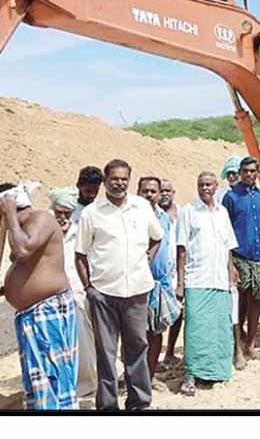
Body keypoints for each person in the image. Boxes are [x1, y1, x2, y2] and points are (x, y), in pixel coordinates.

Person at [75, 159, 164, 411]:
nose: (119, 183)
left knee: (137, 348)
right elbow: (80, 253)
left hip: (136, 292)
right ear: (105, 181)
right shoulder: (92, 212)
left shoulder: (142, 207)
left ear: (129, 180)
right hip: (103, 294)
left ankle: (139, 403)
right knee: (106, 352)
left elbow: (157, 237)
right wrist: (89, 288)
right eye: (114, 178)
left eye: (124, 178)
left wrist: (147, 258)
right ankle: (108, 406)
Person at [0, 181, 78, 410]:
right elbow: (28, 269)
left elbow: (23, 251)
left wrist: (10, 215)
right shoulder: (21, 231)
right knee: (38, 380)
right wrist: (3, 291)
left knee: (52, 375)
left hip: (48, 311)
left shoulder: (42, 219)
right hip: (30, 315)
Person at [176, 172, 239, 396]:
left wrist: (231, 270)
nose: (205, 188)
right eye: (201, 184)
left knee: (219, 327)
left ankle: (216, 372)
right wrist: (181, 283)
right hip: (196, 279)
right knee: (196, 329)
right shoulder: (188, 211)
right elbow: (181, 249)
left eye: (209, 185)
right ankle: (191, 375)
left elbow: (228, 246)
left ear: (216, 186)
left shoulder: (222, 212)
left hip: (220, 280)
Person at [222, 156, 260, 361]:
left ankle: (251, 345)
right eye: (245, 171)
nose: (249, 174)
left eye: (253, 171)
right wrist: (230, 263)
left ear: (258, 172)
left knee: (256, 302)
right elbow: (225, 230)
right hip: (240, 256)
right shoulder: (231, 197)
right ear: (240, 172)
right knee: (238, 302)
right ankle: (237, 348)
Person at [49, 186, 97, 401]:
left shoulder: (80, 231)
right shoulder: (44, 232)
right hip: (50, 297)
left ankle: (85, 387)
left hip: (77, 294)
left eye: (67, 213)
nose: (62, 217)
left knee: (83, 343)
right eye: (58, 212)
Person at [137, 177, 180, 389]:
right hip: (136, 283)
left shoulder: (164, 217)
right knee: (134, 334)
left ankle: (149, 377)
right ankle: (133, 377)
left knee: (155, 332)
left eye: (154, 191)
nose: (150, 194)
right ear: (138, 192)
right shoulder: (132, 215)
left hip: (161, 283)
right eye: (145, 191)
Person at [157, 179, 183, 368]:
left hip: (176, 270)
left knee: (177, 312)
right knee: (154, 315)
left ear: (173, 192)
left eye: (168, 190)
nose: (165, 194)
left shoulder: (181, 213)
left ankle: (170, 351)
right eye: (162, 191)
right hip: (157, 272)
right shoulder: (151, 213)